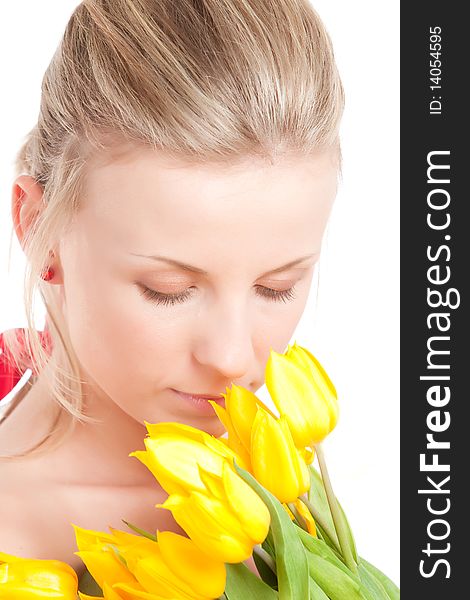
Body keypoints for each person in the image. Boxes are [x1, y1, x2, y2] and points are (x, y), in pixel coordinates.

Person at [0, 0, 344, 580]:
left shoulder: (284, 472)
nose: (233, 359)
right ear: (40, 230)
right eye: (169, 290)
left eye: (276, 287)